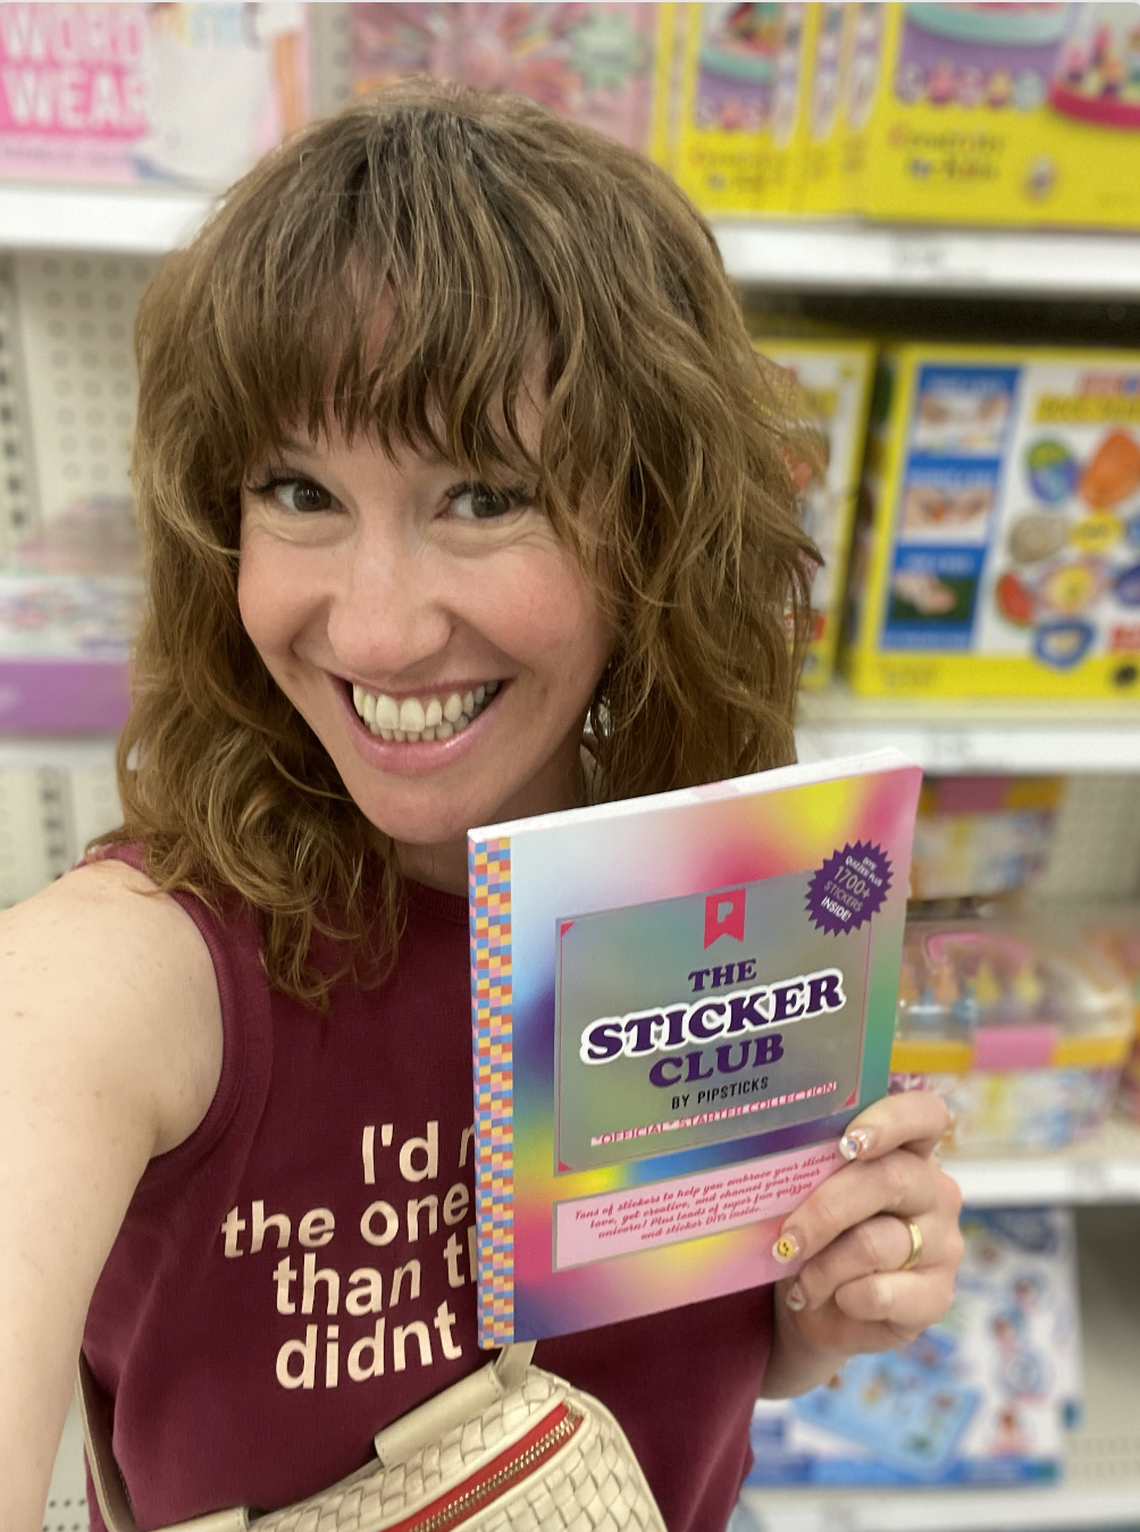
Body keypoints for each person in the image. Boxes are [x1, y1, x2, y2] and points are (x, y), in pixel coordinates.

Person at [0, 80, 962, 1532]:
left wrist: (816, 1312)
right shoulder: (133, 972)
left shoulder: (714, 907)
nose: (376, 632)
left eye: (484, 496)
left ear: (655, 522)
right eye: (298, 492)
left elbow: (684, 1373)